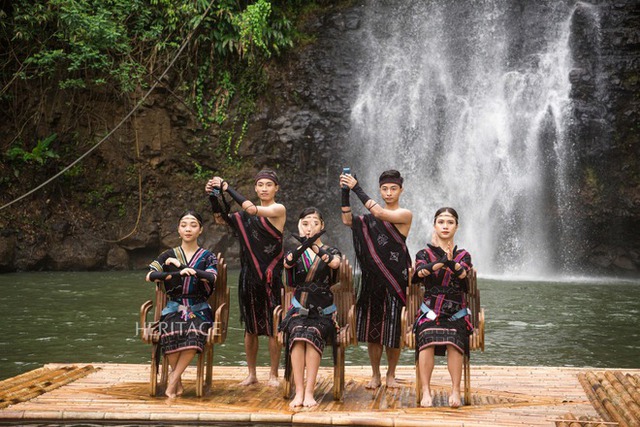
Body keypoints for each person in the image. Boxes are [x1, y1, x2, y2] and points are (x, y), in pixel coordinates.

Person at [205, 169, 285, 387]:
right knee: (250, 328)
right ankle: (251, 374)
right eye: (261, 185)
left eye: (269, 184)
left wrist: (226, 187)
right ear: (256, 188)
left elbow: (250, 208)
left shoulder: (278, 209)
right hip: (249, 275)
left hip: (270, 275)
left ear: (276, 188)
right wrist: (214, 196)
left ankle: (273, 374)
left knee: (273, 326)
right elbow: (222, 219)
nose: (265, 188)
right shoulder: (244, 217)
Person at [339, 169, 412, 388]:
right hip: (372, 279)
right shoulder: (367, 220)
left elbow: (381, 214)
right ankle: (375, 374)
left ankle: (391, 374)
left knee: (393, 329)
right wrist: (344, 192)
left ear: (401, 190)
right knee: (374, 329)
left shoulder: (404, 214)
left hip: (395, 278)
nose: (388, 193)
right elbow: (347, 220)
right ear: (380, 190)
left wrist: (356, 187)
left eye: (393, 188)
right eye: (384, 189)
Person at [145, 210, 218, 399]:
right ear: (178, 229)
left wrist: (182, 266)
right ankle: (177, 382)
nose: (188, 229)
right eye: (184, 224)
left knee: (194, 332)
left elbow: (211, 277)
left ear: (200, 230)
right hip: (173, 308)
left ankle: (172, 382)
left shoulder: (208, 256)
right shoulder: (167, 255)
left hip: (199, 309)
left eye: (193, 225)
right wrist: (177, 273)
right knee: (168, 330)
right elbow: (150, 275)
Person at [279, 207, 342, 408]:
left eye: (315, 223)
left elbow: (334, 263)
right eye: (305, 223)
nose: (310, 227)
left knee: (312, 333)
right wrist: (303, 244)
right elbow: (287, 264)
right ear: (299, 226)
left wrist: (314, 246)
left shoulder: (331, 251)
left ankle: (309, 392)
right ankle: (299, 391)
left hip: (323, 314)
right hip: (298, 312)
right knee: (297, 333)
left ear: (322, 226)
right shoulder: (294, 253)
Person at [412, 207, 473, 408]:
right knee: (427, 336)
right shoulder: (424, 253)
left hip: (456, 314)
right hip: (429, 313)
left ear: (457, 226)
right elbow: (419, 274)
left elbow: (464, 276)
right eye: (441, 222)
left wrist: (450, 262)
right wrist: (441, 262)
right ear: (434, 225)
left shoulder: (463, 255)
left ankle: (455, 390)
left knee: (454, 340)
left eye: (450, 222)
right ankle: (426, 391)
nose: (445, 226)